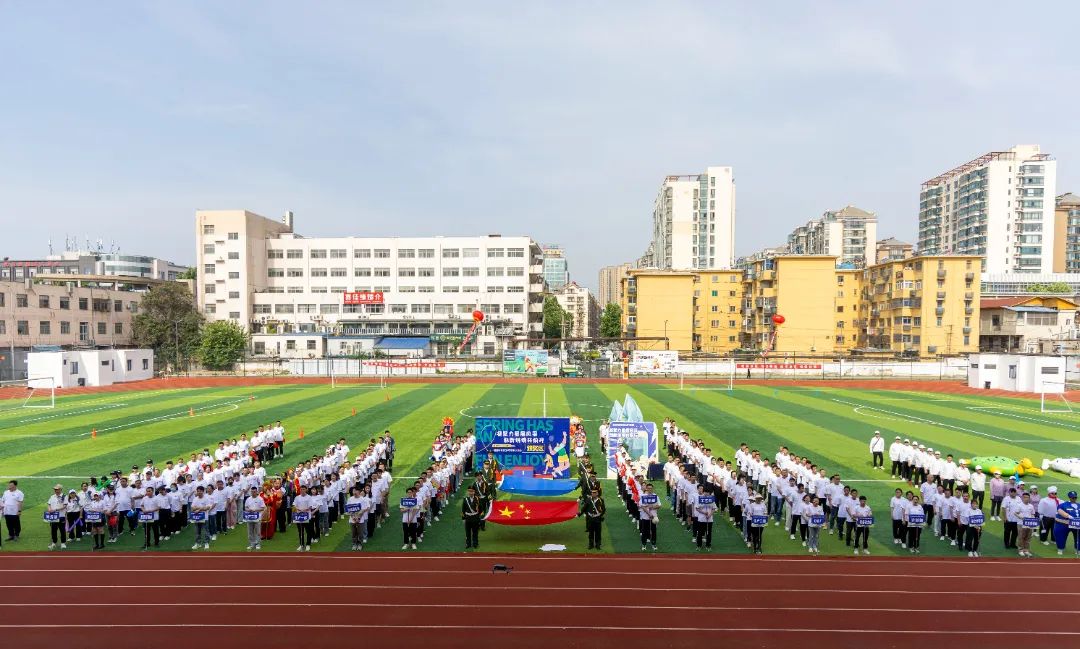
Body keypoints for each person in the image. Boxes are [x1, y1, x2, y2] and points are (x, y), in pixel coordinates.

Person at [1053, 490, 1080, 556]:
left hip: (1077, 524)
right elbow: (1060, 511)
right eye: (1072, 497)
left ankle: (1078, 549)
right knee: (1061, 536)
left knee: (1078, 537)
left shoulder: (1079, 505)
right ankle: (1060, 548)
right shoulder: (1063, 505)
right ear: (1069, 497)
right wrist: (1069, 516)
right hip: (1064, 524)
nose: (1074, 499)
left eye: (1075, 497)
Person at [1012, 492, 1038, 558]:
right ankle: (1020, 550)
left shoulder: (1031, 506)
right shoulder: (1019, 505)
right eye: (1025, 497)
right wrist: (1021, 517)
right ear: (1022, 498)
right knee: (1021, 537)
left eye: (1028, 497)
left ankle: (1026, 550)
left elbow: (1032, 514)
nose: (1027, 499)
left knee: (1028, 537)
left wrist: (1033, 519)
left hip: (1029, 523)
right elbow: (1015, 513)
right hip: (1021, 523)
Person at [692, 484, 717, 551]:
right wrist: (704, 513)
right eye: (705, 492)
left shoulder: (711, 499)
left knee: (708, 533)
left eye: (708, 492)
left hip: (709, 519)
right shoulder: (700, 498)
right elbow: (697, 508)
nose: (706, 493)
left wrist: (710, 515)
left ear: (709, 493)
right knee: (700, 533)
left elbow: (714, 508)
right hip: (701, 519)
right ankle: (699, 545)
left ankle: (708, 545)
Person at [242, 486, 266, 551]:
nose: (253, 493)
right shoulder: (248, 499)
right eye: (252, 492)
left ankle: (258, 544)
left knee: (257, 531)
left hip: (257, 517)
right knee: (250, 532)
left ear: (257, 492)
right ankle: (251, 544)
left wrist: (255, 510)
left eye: (254, 492)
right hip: (249, 517)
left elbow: (263, 508)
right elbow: (245, 507)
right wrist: (249, 510)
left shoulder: (260, 499)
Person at [346, 486, 369, 551]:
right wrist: (353, 517)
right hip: (352, 519)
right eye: (353, 491)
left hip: (360, 519)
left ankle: (360, 544)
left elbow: (363, 509)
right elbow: (348, 510)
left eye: (355, 490)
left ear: (359, 491)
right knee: (354, 533)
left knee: (360, 533)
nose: (354, 492)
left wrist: (358, 518)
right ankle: (354, 544)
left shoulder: (362, 499)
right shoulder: (350, 499)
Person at [292, 485, 315, 552]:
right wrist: (298, 509)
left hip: (306, 515)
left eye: (303, 489)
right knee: (300, 531)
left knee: (308, 531)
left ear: (306, 490)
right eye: (301, 489)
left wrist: (304, 510)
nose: (302, 491)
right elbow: (294, 505)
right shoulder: (297, 497)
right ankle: (301, 544)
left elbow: (310, 506)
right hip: (299, 516)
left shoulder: (309, 497)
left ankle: (308, 544)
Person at [189, 486, 213, 550]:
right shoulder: (195, 499)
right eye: (198, 491)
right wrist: (201, 508)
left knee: (206, 531)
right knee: (197, 531)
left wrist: (198, 509)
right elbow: (192, 508)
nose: (199, 492)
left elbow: (207, 508)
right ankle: (198, 543)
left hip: (204, 517)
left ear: (203, 491)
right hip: (197, 517)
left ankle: (206, 543)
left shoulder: (206, 498)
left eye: (200, 491)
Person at [638, 483, 660, 551]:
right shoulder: (643, 496)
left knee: (654, 531)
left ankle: (653, 544)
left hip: (654, 517)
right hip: (645, 517)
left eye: (651, 488)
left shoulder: (655, 496)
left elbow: (659, 505)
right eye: (648, 488)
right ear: (646, 489)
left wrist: (652, 507)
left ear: (652, 489)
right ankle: (644, 544)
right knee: (644, 531)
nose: (650, 489)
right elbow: (643, 507)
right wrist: (649, 514)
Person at [461, 486, 482, 550]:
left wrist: (478, 516)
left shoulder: (477, 499)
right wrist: (463, 518)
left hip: (475, 518)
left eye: (472, 491)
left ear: (474, 492)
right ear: (468, 492)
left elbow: (481, 508)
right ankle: (468, 544)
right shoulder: (465, 499)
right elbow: (463, 509)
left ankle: (475, 543)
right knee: (468, 532)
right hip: (468, 518)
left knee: (475, 532)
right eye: (469, 491)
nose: (470, 493)